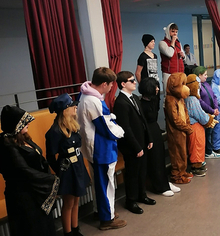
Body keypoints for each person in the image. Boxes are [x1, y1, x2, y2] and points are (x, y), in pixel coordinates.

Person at [77, 67, 127, 230]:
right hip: (101, 149)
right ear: (104, 84)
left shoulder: (85, 94)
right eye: (111, 84)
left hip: (93, 148)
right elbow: (105, 127)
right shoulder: (93, 101)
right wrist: (120, 131)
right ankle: (107, 219)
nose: (113, 86)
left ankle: (102, 211)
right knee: (106, 184)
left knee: (100, 183)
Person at [0, 105, 59, 236]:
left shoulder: (23, 138)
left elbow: (39, 157)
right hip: (23, 198)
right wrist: (51, 180)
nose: (27, 123)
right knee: (32, 229)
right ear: (14, 125)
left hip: (36, 193)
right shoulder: (7, 146)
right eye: (23, 121)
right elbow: (23, 170)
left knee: (45, 227)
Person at [45, 93, 91, 236]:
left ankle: (75, 228)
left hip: (77, 166)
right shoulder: (54, 131)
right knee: (68, 203)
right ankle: (68, 232)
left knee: (77, 199)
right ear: (65, 109)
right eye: (72, 106)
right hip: (67, 170)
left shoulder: (72, 125)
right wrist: (59, 172)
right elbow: (51, 156)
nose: (75, 107)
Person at [114, 71, 156, 214]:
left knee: (142, 171)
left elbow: (143, 121)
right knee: (132, 174)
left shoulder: (135, 98)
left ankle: (142, 195)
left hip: (142, 142)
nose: (135, 82)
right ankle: (130, 201)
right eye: (132, 81)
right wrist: (137, 147)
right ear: (123, 84)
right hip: (132, 146)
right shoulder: (120, 102)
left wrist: (149, 138)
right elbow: (125, 128)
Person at [138, 77, 181, 196]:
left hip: (155, 129)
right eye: (155, 87)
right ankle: (159, 186)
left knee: (160, 156)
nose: (158, 89)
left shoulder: (154, 99)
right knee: (154, 159)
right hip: (147, 131)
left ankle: (165, 182)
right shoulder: (141, 103)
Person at [185, 74, 218, 176]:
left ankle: (199, 162)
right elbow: (199, 114)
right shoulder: (192, 99)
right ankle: (196, 166)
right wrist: (208, 118)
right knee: (196, 146)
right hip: (194, 125)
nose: (199, 86)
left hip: (196, 125)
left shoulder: (190, 98)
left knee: (198, 145)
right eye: (198, 84)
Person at [165, 72, 193, 184]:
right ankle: (176, 175)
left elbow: (185, 112)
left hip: (183, 130)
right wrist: (186, 128)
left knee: (183, 152)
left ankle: (183, 171)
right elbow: (175, 119)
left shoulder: (180, 98)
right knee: (176, 153)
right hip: (175, 131)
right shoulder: (170, 100)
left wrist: (188, 125)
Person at [194, 66, 220, 159]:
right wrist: (211, 110)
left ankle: (210, 150)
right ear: (199, 75)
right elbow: (200, 101)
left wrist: (216, 108)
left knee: (210, 132)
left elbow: (213, 96)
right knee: (207, 134)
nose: (206, 76)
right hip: (205, 113)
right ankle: (207, 152)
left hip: (212, 112)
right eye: (205, 75)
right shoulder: (198, 86)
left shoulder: (206, 84)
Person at [159, 23, 185, 96]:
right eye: (173, 31)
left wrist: (183, 56)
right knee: (168, 95)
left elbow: (184, 56)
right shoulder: (162, 43)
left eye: (176, 32)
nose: (175, 34)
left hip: (179, 73)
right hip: (169, 73)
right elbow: (170, 54)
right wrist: (173, 42)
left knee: (180, 94)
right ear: (168, 32)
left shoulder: (178, 43)